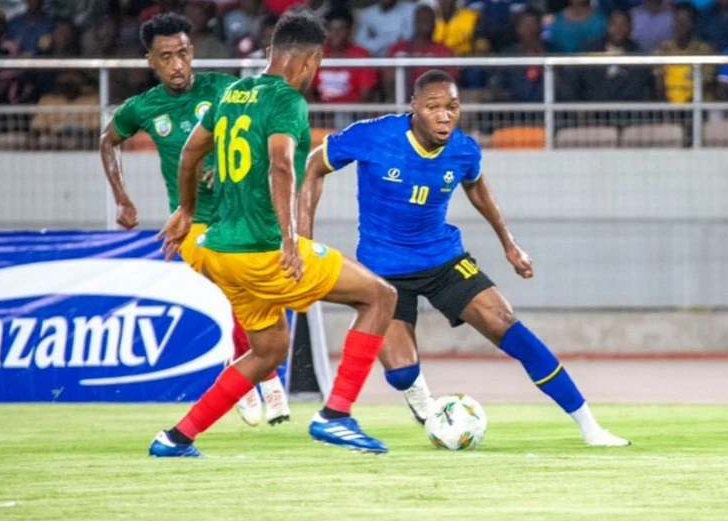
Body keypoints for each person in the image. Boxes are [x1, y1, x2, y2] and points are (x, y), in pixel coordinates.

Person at [298, 70, 631, 448]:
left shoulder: (464, 149)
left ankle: (590, 427)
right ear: (414, 108)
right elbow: (314, 165)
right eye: (433, 107)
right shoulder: (374, 136)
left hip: (443, 260)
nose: (444, 116)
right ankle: (424, 405)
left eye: (452, 107)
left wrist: (510, 243)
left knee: (507, 324)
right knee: (402, 373)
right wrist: (304, 241)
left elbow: (477, 187)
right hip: (383, 272)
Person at [153, 8, 397, 457]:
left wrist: (186, 211)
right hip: (264, 250)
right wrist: (290, 239)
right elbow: (282, 164)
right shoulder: (287, 101)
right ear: (310, 61)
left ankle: (175, 438)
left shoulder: (233, 93)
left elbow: (189, 153)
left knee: (268, 350)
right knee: (380, 296)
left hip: (219, 251)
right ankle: (336, 416)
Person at [99, 13, 291, 429]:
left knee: (251, 293)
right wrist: (122, 199)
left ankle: (241, 365)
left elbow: (259, 130)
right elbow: (107, 141)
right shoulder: (144, 107)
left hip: (241, 216)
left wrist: (223, 165)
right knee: (239, 288)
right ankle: (268, 377)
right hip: (193, 225)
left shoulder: (223, 89)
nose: (177, 65)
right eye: (166, 57)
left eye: (183, 53)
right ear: (152, 61)